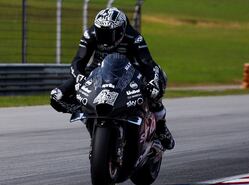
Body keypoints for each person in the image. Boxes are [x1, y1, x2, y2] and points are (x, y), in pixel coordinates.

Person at [50, 7, 174, 150]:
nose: (104, 38)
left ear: (121, 30)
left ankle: (160, 126)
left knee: (158, 82)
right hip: (97, 71)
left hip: (129, 71)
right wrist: (79, 78)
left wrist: (153, 82)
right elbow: (78, 61)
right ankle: (87, 114)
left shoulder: (134, 37)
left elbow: (148, 63)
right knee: (57, 96)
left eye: (109, 34)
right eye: (101, 33)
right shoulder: (90, 34)